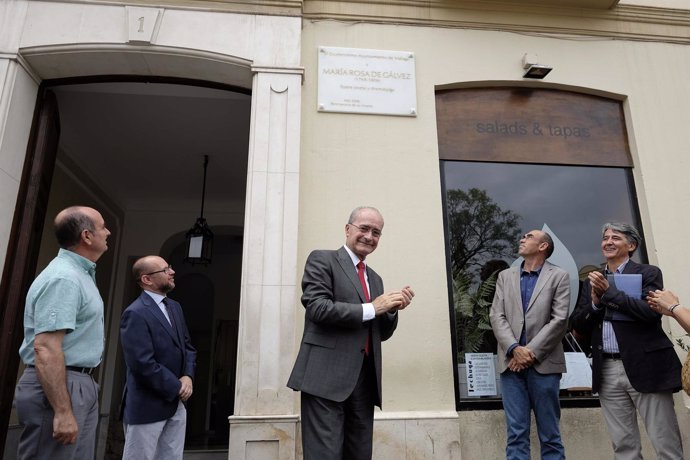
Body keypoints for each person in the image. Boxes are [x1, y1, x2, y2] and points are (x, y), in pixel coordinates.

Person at [287, 206, 414, 460]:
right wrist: (372, 307)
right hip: (325, 379)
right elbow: (317, 308)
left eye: (376, 232)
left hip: (365, 382)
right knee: (325, 455)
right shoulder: (322, 259)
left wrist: (391, 310)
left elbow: (380, 333)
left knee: (359, 454)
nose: (369, 236)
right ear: (348, 229)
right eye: (364, 228)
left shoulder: (375, 278)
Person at [570, 222, 683, 459]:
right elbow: (579, 324)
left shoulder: (648, 273)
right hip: (607, 369)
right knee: (623, 445)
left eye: (616, 238)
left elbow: (650, 313)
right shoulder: (593, 279)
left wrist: (608, 293)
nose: (608, 242)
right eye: (605, 238)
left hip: (647, 365)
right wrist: (595, 302)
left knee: (665, 440)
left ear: (630, 245)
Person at [15, 206, 111, 459]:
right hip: (61, 385)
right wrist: (62, 410)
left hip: (80, 383)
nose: (108, 231)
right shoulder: (65, 278)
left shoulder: (81, 275)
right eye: (102, 226)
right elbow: (45, 347)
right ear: (87, 236)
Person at [489, 230, 570, 460]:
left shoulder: (559, 276)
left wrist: (530, 353)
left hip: (544, 367)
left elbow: (560, 319)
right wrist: (514, 349)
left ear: (543, 246)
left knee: (550, 436)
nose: (522, 238)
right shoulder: (505, 276)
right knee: (516, 434)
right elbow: (496, 315)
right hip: (511, 367)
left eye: (529, 236)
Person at [120, 256, 197, 459]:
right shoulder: (135, 313)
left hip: (177, 405)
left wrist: (188, 376)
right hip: (147, 406)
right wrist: (177, 387)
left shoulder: (175, 307)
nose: (172, 272)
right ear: (147, 279)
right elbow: (141, 363)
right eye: (165, 270)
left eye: (170, 267)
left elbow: (188, 347)